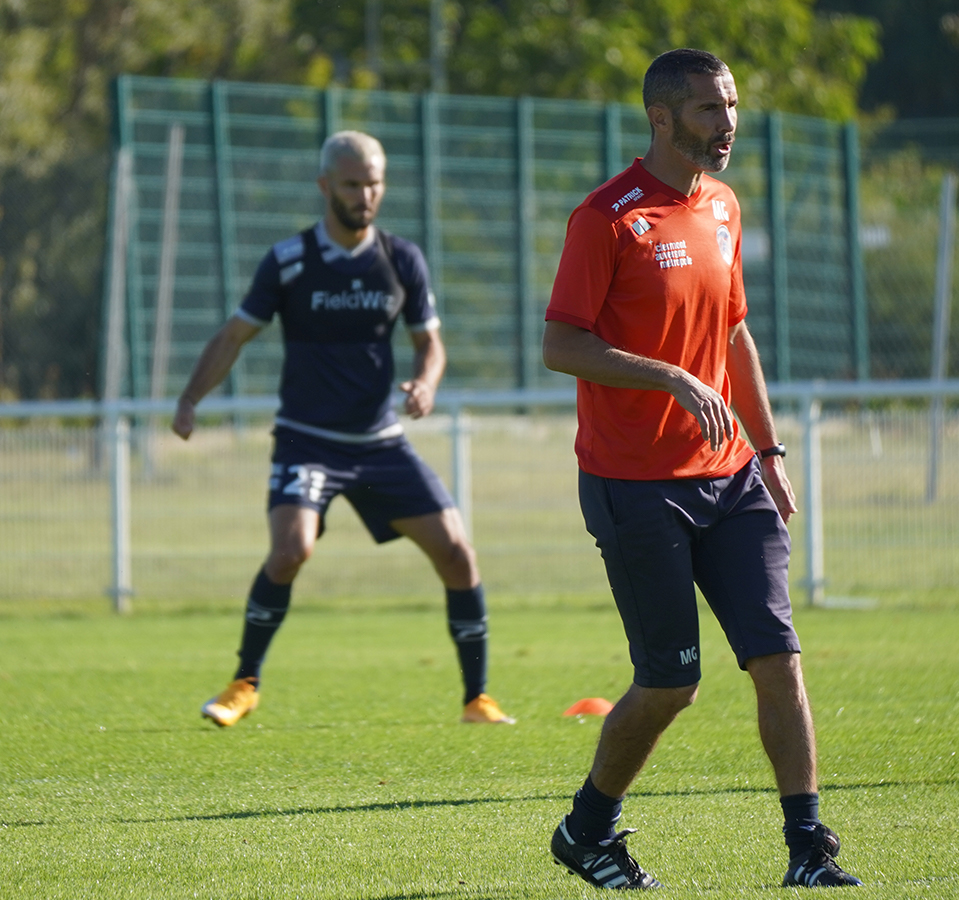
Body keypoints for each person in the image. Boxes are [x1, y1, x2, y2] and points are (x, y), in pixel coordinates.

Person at [542, 50, 861, 889]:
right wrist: (670, 378)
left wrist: (768, 448)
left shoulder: (724, 207)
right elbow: (560, 344)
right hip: (633, 485)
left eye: (730, 107)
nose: (726, 126)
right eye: (708, 110)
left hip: (730, 477)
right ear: (661, 118)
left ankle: (807, 846)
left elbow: (733, 332)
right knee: (670, 685)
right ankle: (587, 831)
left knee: (777, 657)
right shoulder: (604, 219)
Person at [173, 130, 514, 729]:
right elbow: (233, 336)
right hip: (309, 439)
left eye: (375, 182)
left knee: (459, 554)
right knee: (290, 550)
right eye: (354, 183)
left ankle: (477, 700)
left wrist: (426, 383)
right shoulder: (288, 261)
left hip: (381, 443)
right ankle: (243, 683)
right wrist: (190, 399)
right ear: (325, 185)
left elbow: (429, 342)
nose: (366, 194)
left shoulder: (401, 258)